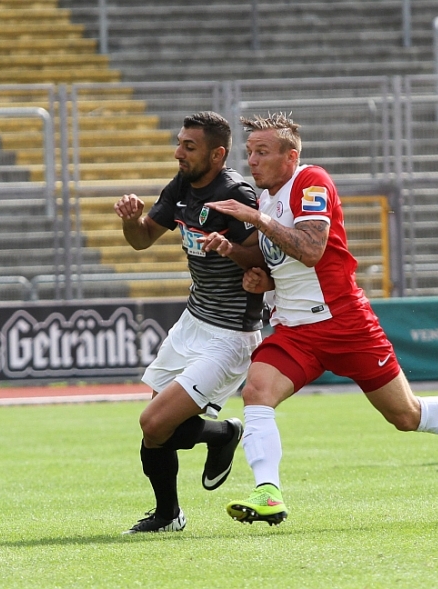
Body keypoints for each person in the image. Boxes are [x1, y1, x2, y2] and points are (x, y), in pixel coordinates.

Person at [203, 113, 438, 526]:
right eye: (250, 152)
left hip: (345, 322)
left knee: (405, 416)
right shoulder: (267, 200)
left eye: (262, 152)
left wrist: (256, 220)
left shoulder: (311, 181)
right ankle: (268, 492)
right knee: (256, 392)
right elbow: (277, 259)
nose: (252, 161)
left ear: (291, 157)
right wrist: (239, 257)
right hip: (295, 330)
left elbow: (311, 249)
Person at [114, 111, 265, 533]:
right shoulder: (182, 185)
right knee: (157, 431)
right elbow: (143, 239)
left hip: (230, 333)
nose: (178, 152)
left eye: (189, 146)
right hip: (192, 321)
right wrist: (131, 220)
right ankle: (168, 516)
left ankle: (223, 434)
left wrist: (231, 250)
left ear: (217, 154)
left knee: (155, 423)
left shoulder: (236, 194)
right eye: (179, 143)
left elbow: (264, 257)